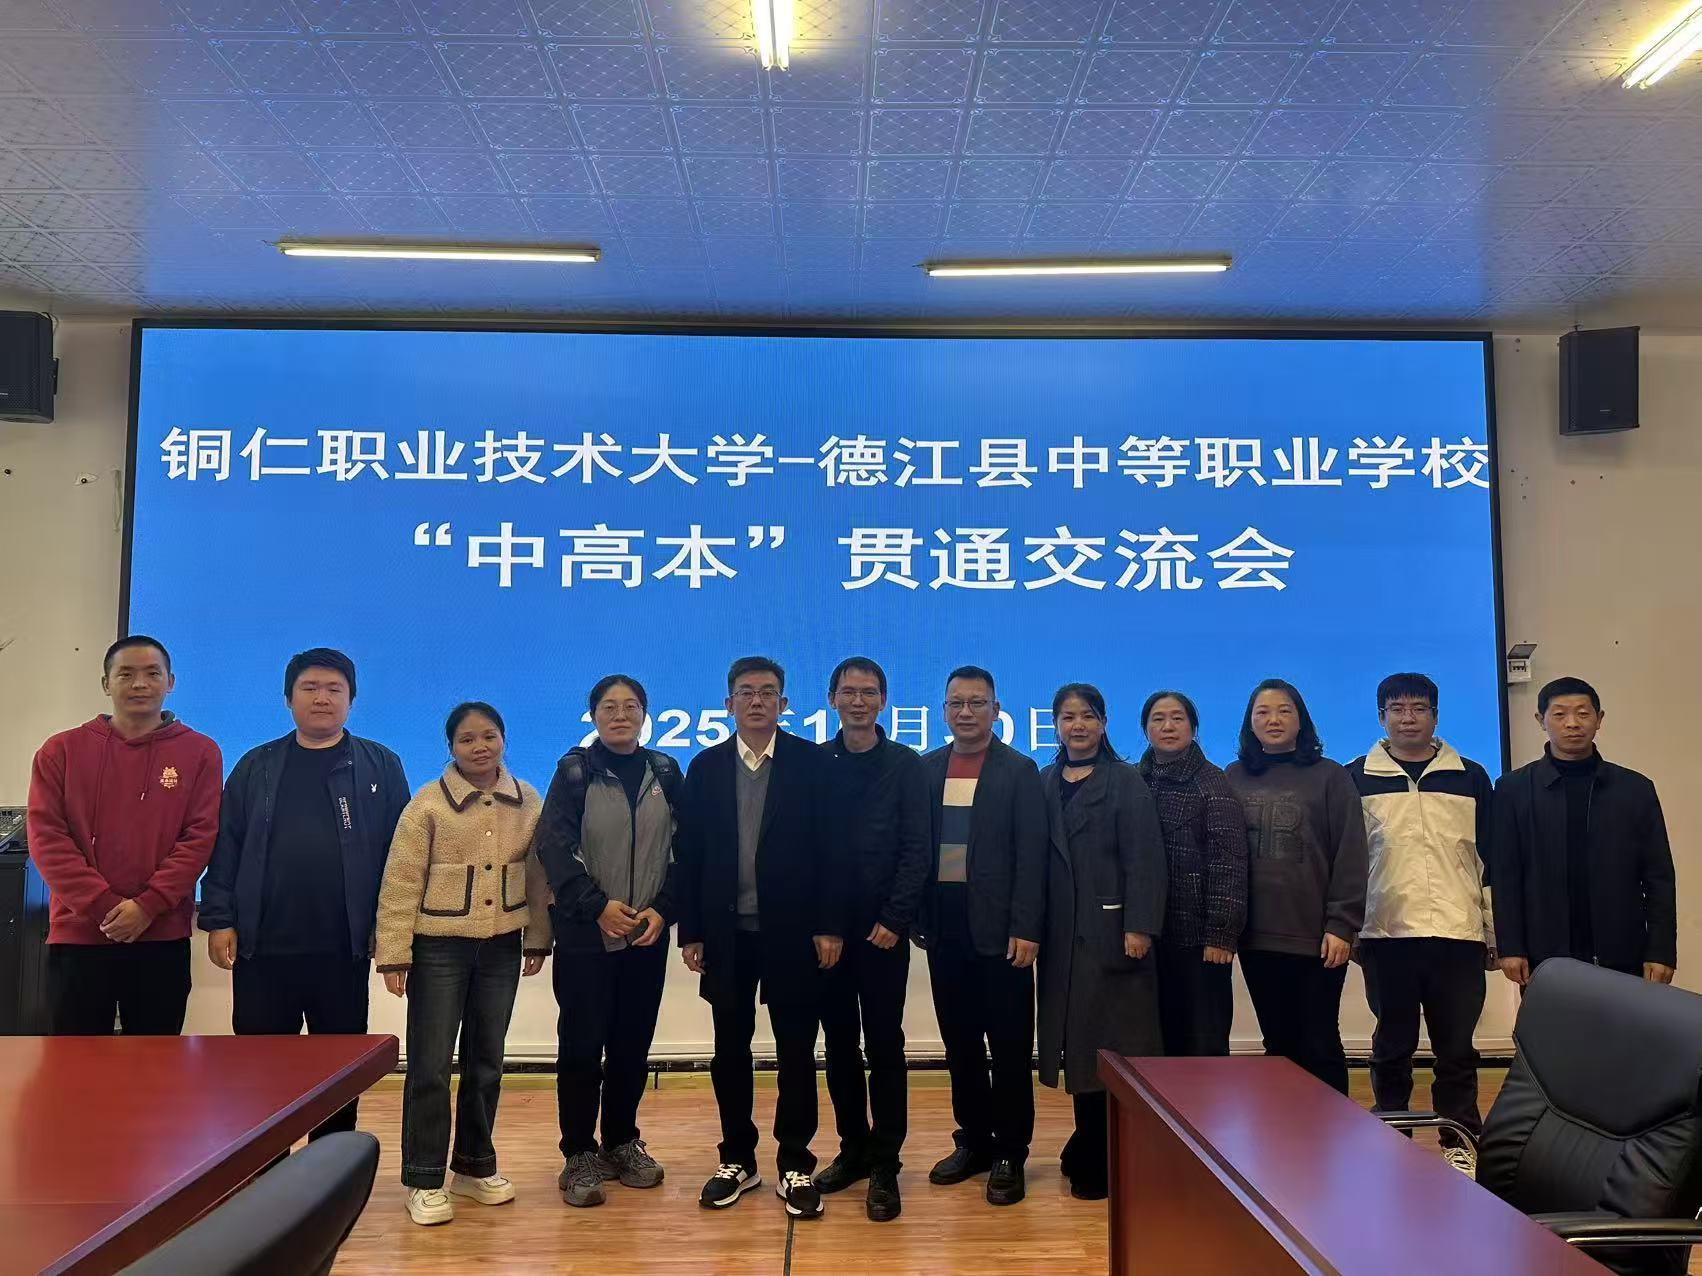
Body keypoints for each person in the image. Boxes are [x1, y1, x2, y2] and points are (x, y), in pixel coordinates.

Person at [201, 647, 409, 1139]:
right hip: (262, 949)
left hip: (342, 949)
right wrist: (218, 918)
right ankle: (265, 1168)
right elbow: (226, 844)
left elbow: (399, 857)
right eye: (309, 688)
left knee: (338, 1072)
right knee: (259, 1071)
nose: (322, 698)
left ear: (351, 700)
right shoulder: (257, 765)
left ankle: (330, 1169)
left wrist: (391, 933)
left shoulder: (380, 765)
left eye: (334, 689)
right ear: (288, 699)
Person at [676, 656, 842, 1219]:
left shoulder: (811, 764)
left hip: (793, 934)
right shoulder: (705, 768)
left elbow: (831, 851)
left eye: (768, 692)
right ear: (728, 704)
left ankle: (795, 1162)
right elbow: (691, 854)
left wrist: (829, 925)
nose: (756, 701)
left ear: (783, 704)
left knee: (796, 1050)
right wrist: (692, 931)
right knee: (730, 1050)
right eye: (746, 692)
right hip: (726, 935)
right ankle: (737, 1159)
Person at [374, 702, 551, 1226]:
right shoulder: (427, 804)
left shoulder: (528, 800)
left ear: (504, 739)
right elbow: (401, 880)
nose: (480, 747)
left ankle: (474, 1167)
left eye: (489, 736)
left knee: (487, 1061)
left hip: (501, 947)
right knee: (430, 1065)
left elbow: (539, 875)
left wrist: (538, 939)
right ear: (450, 747)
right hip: (438, 948)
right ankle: (424, 1178)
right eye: (467, 739)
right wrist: (394, 954)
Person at [534, 674, 681, 1209]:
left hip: (646, 933)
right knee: (580, 1046)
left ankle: (622, 1141)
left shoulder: (665, 771)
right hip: (585, 934)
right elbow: (554, 846)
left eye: (631, 706)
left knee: (631, 1045)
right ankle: (578, 1152)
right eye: (609, 707)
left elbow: (686, 848)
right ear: (593, 714)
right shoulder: (574, 771)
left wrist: (664, 909)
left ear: (645, 714)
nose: (621, 715)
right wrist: (598, 906)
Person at [28, 636, 222, 1035]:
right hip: (80, 936)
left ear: (170, 682)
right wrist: (104, 907)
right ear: (106, 683)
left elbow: (200, 837)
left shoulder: (201, 752)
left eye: (152, 673)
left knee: (155, 1061)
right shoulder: (60, 751)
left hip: (161, 936)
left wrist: (148, 906)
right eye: (126, 674)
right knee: (75, 1060)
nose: (139, 684)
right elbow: (47, 838)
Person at [1347, 674, 1495, 1175]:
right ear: (1381, 717)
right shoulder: (1356, 777)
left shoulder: (1470, 776)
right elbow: (1348, 862)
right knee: (1392, 1046)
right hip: (1386, 934)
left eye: (1418, 708)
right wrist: (1350, 927)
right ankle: (1392, 1137)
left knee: (1457, 1049)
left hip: (1458, 934)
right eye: (1397, 709)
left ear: (1435, 715)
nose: (1407, 718)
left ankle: (1461, 1140)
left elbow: (1491, 859)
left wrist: (1493, 931)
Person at [915, 665, 1046, 1207]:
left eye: (977, 703)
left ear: (996, 710)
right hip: (945, 928)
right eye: (957, 703)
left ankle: (1011, 1151)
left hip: (1003, 932)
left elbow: (1033, 855)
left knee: (1010, 1048)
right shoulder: (926, 768)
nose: (966, 712)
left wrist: (1027, 926)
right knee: (961, 1044)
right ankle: (973, 1141)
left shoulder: (1020, 770)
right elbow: (916, 850)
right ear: (944, 710)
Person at [1037, 684, 1166, 1202]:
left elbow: (1145, 858)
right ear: (1055, 725)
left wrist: (1140, 926)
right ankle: (1086, 1142)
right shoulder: (1045, 780)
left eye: (1088, 716)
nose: (1078, 726)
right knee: (1078, 1050)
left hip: (1113, 936)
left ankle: (1105, 1158)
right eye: (1068, 717)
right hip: (1062, 942)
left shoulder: (1126, 781)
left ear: (1104, 723)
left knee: (1114, 1050)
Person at [813, 657, 930, 1222]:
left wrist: (895, 918)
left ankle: (886, 1162)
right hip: (829, 936)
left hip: (886, 932)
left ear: (883, 700)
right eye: (848, 692)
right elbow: (810, 850)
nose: (858, 701)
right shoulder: (815, 763)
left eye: (868, 692)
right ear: (832, 698)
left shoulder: (906, 764)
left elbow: (917, 848)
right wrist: (826, 925)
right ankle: (853, 1149)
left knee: (885, 1046)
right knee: (839, 1047)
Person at [1226, 679, 1367, 1096]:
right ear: (1250, 723)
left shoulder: (1331, 776)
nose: (1273, 719)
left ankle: (1330, 1131)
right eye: (1263, 712)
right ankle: (1284, 1131)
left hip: (1317, 938)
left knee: (1319, 1043)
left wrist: (1342, 924)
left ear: (1301, 719)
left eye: (1284, 710)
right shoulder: (1233, 776)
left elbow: (1350, 852)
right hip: (1256, 937)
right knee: (1278, 1044)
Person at [1493, 677, 1676, 986]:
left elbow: (1659, 876)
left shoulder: (1634, 788)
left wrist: (1661, 951)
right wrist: (1511, 946)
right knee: (1554, 1021)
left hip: (1623, 950)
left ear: (1599, 719)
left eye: (1582, 713)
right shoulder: (1513, 789)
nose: (1572, 724)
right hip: (1545, 953)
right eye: (1559, 714)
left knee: (1623, 1019)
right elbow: (1506, 874)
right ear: (1541, 720)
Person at [1138, 690, 1246, 1059]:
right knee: (1155, 1046)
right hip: (1149, 939)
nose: (1168, 726)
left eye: (1177, 718)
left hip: (1200, 944)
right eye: (1158, 719)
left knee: (1202, 1049)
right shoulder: (1136, 780)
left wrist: (1221, 935)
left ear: (1193, 727)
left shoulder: (1212, 782)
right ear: (1145, 728)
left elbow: (1229, 863)